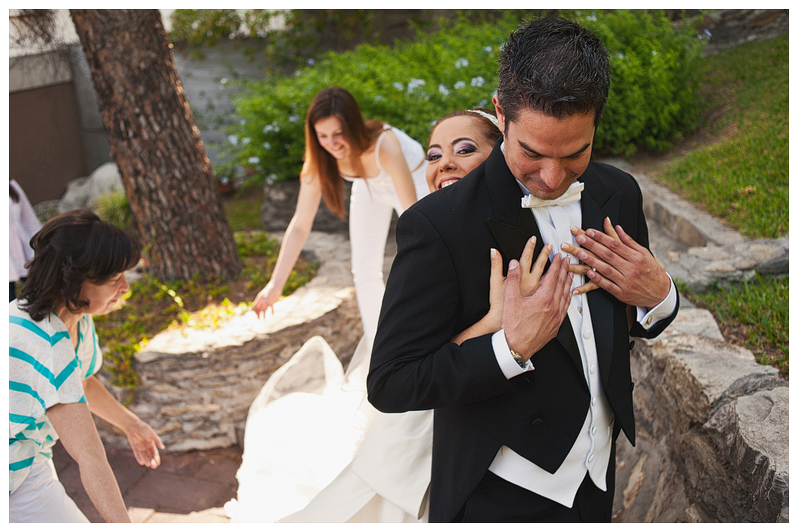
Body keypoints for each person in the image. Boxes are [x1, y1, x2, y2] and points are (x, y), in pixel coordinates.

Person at [367, 17, 680, 523]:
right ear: (500, 112)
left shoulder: (619, 193)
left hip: (599, 474)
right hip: (498, 490)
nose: (552, 177)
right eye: (531, 153)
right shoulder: (438, 225)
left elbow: (633, 323)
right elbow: (390, 382)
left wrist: (660, 294)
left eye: (575, 153)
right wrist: (509, 348)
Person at [232, 108, 544, 523]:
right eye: (434, 155)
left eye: (464, 149)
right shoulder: (429, 242)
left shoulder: (392, 150)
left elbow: (415, 211)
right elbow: (305, 225)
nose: (331, 143)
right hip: (438, 385)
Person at [9, 210, 165, 523]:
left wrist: (130, 424)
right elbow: (89, 455)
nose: (126, 288)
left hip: (27, 459)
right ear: (76, 281)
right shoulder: (43, 345)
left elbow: (80, 382)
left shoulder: (77, 318)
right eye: (115, 279)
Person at [252, 86, 430, 347]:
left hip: (416, 183)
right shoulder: (319, 159)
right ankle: (379, 349)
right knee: (363, 271)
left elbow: (413, 217)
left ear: (353, 126)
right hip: (369, 187)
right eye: (322, 135)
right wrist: (275, 285)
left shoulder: (384, 143)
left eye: (338, 133)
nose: (332, 144)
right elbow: (300, 224)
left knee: (424, 257)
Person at [9, 179, 41, 301]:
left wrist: (38, 250)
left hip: (24, 254)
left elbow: (31, 222)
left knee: (39, 296)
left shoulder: (11, 186)